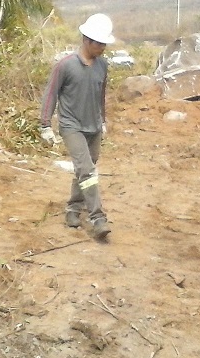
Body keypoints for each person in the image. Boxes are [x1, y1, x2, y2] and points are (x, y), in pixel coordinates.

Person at [39, 13, 114, 240]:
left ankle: (73, 209)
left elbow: (100, 94)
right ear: (86, 39)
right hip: (72, 126)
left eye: (104, 43)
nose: (101, 47)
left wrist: (103, 120)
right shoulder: (65, 65)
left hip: (94, 126)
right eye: (98, 43)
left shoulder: (103, 65)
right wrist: (45, 124)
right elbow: (50, 94)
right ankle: (97, 217)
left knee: (84, 169)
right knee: (87, 171)